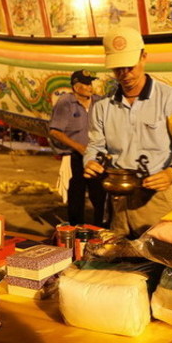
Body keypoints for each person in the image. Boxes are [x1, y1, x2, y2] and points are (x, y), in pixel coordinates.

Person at [84, 28, 172, 238]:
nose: (125, 74)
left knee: (162, 253)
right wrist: (91, 160)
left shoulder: (171, 98)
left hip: (158, 196)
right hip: (119, 198)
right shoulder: (102, 106)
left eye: (130, 66)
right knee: (121, 252)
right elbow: (96, 145)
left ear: (144, 57)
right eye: (118, 68)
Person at [48, 70, 107, 226]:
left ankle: (100, 228)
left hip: (96, 157)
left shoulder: (98, 102)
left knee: (100, 195)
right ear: (75, 87)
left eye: (90, 83)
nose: (90, 87)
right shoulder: (65, 103)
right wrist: (79, 147)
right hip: (75, 156)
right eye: (86, 84)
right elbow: (55, 131)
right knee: (76, 196)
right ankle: (76, 229)